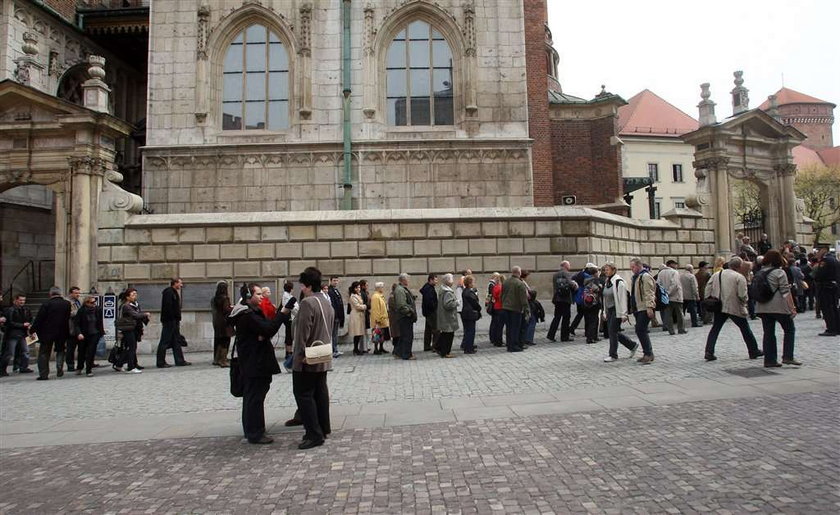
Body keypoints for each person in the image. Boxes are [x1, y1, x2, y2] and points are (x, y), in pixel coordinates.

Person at [231, 283, 293, 445]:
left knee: (254, 397)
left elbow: (265, 331)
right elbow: (268, 329)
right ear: (248, 297)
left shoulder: (251, 313)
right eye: (257, 294)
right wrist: (283, 313)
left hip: (256, 361)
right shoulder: (247, 315)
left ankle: (254, 429)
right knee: (254, 398)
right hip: (254, 363)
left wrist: (264, 333)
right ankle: (255, 432)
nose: (261, 297)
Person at [292, 267, 333, 449]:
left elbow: (302, 332)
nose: (301, 288)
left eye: (302, 285)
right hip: (322, 353)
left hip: (308, 357)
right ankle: (323, 428)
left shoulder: (308, 303)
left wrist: (300, 354)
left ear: (308, 285)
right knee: (320, 392)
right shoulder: (325, 302)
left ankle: (314, 434)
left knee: (304, 395)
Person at [703, 256, 763, 361]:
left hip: (719, 305)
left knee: (715, 329)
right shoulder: (739, 277)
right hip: (734, 306)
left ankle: (709, 351)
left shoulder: (717, 274)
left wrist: (710, 298)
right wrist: (744, 303)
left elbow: (708, 287)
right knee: (745, 329)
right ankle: (753, 350)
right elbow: (742, 295)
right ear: (739, 266)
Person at [756, 250, 801, 367]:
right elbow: (786, 292)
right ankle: (788, 356)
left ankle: (769, 360)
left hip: (762, 307)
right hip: (778, 306)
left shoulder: (760, 272)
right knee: (789, 329)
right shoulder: (779, 272)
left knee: (768, 333)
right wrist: (792, 308)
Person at [600, 263, 639, 362]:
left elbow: (622, 299)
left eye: (607, 270)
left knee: (612, 331)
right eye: (605, 270)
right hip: (609, 310)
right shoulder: (607, 282)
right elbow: (605, 298)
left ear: (613, 270)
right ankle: (632, 345)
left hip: (616, 310)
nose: (606, 272)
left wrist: (623, 314)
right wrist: (604, 311)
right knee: (613, 331)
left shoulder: (619, 282)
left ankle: (613, 354)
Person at [31, 287, 71, 380]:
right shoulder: (67, 304)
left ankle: (44, 374)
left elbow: (39, 319)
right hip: (62, 331)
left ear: (50, 294)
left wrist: (33, 330)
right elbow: (67, 317)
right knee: (60, 350)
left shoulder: (46, 304)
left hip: (47, 332)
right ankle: (59, 367)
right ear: (60, 294)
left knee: (44, 353)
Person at [156, 278, 191, 368]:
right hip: (169, 321)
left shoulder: (173, 292)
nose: (181, 285)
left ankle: (180, 360)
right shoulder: (169, 292)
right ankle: (160, 362)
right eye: (180, 283)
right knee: (164, 341)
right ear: (175, 283)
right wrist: (172, 319)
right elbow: (168, 307)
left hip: (174, 321)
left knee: (176, 341)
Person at [116, 288, 150, 373]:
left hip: (134, 328)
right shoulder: (126, 306)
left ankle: (119, 364)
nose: (135, 295)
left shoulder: (135, 304)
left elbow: (138, 314)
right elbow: (135, 315)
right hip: (128, 328)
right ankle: (131, 367)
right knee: (131, 347)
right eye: (133, 294)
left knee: (129, 347)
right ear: (127, 297)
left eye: (136, 294)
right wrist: (145, 314)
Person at [629, 257, 656, 364]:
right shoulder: (636, 277)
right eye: (631, 267)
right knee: (641, 330)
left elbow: (649, 292)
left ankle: (648, 353)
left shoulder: (645, 276)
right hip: (638, 308)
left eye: (633, 266)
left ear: (639, 266)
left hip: (644, 307)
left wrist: (649, 307)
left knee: (640, 330)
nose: (632, 269)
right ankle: (648, 353)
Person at [0, 294, 34, 376]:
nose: (22, 302)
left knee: (26, 351)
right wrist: (23, 325)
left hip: (24, 333)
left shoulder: (26, 309)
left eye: (23, 300)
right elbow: (10, 323)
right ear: (15, 300)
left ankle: (23, 367)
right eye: (20, 300)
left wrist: (29, 325)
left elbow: (31, 318)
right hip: (13, 334)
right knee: (9, 352)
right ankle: (2, 370)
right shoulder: (10, 310)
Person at [72, 296, 105, 376]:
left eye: (94, 302)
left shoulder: (98, 310)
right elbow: (76, 324)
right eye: (91, 302)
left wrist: (101, 332)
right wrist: (79, 333)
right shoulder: (82, 311)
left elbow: (100, 322)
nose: (94, 304)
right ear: (86, 303)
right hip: (83, 334)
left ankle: (89, 370)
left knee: (91, 351)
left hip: (95, 333)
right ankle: (80, 367)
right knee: (81, 352)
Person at [547, 261, 578, 342]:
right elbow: (571, 284)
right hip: (565, 298)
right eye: (569, 265)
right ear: (565, 266)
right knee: (566, 318)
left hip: (557, 298)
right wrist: (575, 285)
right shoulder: (567, 274)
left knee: (556, 317)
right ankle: (564, 336)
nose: (570, 266)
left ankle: (551, 335)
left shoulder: (555, 275)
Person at [501, 266, 529, 352]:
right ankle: (514, 346)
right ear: (519, 273)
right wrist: (526, 309)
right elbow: (523, 298)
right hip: (515, 308)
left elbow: (502, 295)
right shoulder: (520, 283)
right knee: (515, 328)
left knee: (509, 328)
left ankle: (509, 345)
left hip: (505, 308)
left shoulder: (505, 282)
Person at [813, 248, 839, 336]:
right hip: (834, 286)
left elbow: (820, 274)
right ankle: (836, 327)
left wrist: (816, 278)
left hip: (825, 287)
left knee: (827, 308)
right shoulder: (834, 259)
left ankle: (831, 328)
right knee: (834, 308)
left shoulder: (825, 260)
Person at [393, 273, 417, 360]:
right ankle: (407, 354)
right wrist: (409, 312)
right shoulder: (400, 290)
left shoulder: (402, 289)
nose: (409, 281)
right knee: (407, 336)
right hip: (405, 317)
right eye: (408, 279)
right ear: (403, 280)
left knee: (404, 336)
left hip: (405, 316)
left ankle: (398, 352)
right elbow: (401, 305)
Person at [658, 260, 686, 335]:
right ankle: (681, 329)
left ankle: (671, 330)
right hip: (676, 296)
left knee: (668, 314)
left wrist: (664, 294)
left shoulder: (660, 273)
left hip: (665, 297)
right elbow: (675, 284)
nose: (676, 266)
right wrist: (668, 292)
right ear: (671, 265)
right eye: (675, 264)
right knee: (679, 313)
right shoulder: (674, 272)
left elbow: (658, 284)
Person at [436, 273, 459, 358]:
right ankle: (445, 352)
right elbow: (447, 305)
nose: (453, 281)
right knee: (449, 335)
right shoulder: (447, 292)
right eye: (452, 279)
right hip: (448, 317)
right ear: (448, 281)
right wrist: (456, 303)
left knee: (445, 334)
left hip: (445, 316)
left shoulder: (444, 290)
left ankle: (439, 347)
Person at [211, 281, 233, 367]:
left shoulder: (215, 298)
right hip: (224, 321)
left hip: (217, 321)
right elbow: (226, 310)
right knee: (225, 340)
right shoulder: (225, 298)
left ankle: (217, 359)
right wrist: (233, 308)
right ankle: (223, 360)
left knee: (219, 340)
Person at [459, 275, 481, 354]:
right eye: (473, 282)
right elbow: (474, 303)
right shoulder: (469, 292)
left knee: (468, 330)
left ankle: (468, 345)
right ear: (469, 283)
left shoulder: (465, 291)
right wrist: (479, 308)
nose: (474, 283)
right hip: (469, 313)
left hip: (466, 313)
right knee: (470, 331)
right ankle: (469, 348)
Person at [419, 274, 439, 352]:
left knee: (428, 330)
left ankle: (427, 346)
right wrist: (434, 307)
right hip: (431, 312)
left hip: (428, 312)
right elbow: (429, 301)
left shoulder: (427, 288)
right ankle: (435, 346)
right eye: (435, 280)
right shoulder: (429, 289)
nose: (436, 281)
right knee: (436, 329)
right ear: (430, 280)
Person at [369, 282, 390, 355]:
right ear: (378, 288)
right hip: (378, 319)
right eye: (382, 287)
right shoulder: (375, 297)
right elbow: (375, 309)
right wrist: (377, 319)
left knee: (382, 334)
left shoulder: (380, 296)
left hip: (383, 318)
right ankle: (376, 349)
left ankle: (381, 347)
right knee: (376, 334)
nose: (383, 288)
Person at [65, 286, 82, 372]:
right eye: (76, 293)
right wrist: (80, 312)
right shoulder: (67, 302)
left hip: (79, 328)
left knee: (81, 347)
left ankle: (80, 364)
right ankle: (70, 365)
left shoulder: (78, 301)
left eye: (78, 293)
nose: (78, 295)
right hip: (71, 328)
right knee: (71, 348)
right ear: (71, 293)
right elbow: (69, 314)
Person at [348, 281, 367, 355]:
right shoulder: (353, 296)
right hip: (356, 316)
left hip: (360, 315)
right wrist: (365, 306)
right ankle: (355, 349)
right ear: (355, 288)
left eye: (359, 287)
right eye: (358, 287)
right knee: (357, 333)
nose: (359, 289)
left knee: (359, 333)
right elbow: (357, 306)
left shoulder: (358, 295)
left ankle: (357, 348)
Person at [327, 276, 345, 358]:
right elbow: (333, 304)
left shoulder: (336, 290)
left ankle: (335, 349)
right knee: (333, 334)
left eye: (337, 280)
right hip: (334, 316)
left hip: (338, 315)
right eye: (334, 280)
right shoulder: (330, 291)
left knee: (335, 334)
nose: (336, 282)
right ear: (330, 281)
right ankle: (333, 350)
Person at [489, 274, 505, 346]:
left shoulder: (495, 287)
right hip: (501, 307)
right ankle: (499, 341)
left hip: (496, 307)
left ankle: (495, 340)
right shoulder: (501, 288)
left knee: (496, 325)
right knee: (500, 326)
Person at [387, 283, 401, 355]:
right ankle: (396, 349)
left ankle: (397, 349)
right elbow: (396, 307)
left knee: (397, 334)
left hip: (395, 318)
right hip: (394, 318)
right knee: (396, 334)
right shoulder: (392, 297)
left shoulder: (394, 296)